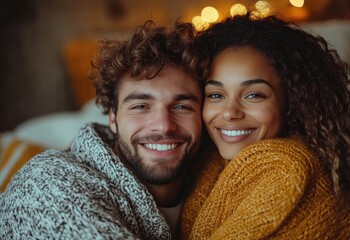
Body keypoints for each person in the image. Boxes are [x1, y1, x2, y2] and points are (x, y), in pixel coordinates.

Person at [0, 20, 203, 239]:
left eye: (182, 106)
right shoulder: (45, 185)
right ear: (113, 118)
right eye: (140, 106)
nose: (164, 125)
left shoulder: (212, 179)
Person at [179, 13, 350, 239]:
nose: (229, 112)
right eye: (216, 94)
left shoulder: (286, 167)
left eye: (254, 95)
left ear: (291, 101)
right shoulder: (208, 163)